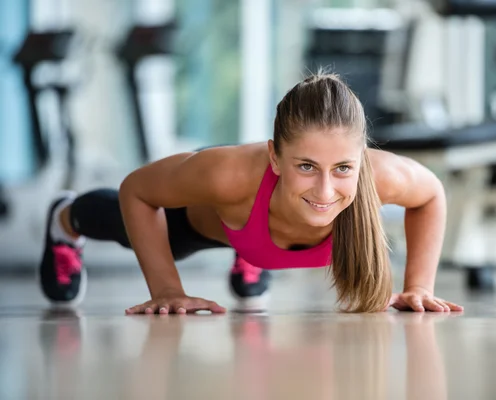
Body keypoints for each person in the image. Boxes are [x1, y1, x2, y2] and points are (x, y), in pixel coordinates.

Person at [38, 73, 464, 314]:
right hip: (212, 216)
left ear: (361, 161)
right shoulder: (227, 175)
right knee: (134, 230)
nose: (325, 189)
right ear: (275, 158)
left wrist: (419, 286)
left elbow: (431, 195)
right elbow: (137, 190)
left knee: (290, 216)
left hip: (259, 222)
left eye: (343, 169)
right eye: (305, 166)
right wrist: (167, 288)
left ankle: (252, 255)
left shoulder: (382, 176)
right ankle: (65, 218)